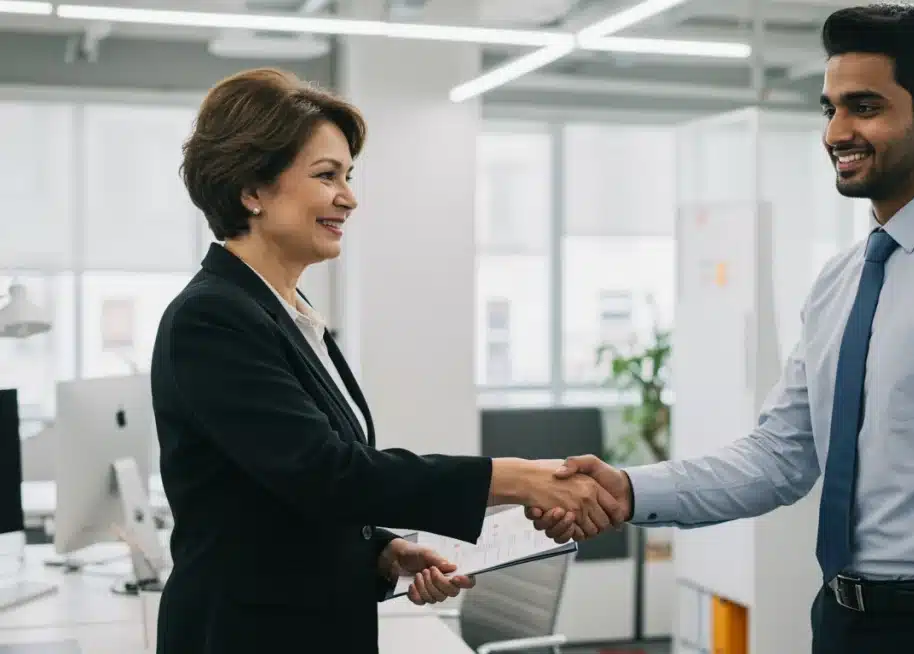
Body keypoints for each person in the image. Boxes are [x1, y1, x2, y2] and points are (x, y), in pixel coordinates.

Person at [529, 4, 914, 654]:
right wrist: (628, 489)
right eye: (830, 108)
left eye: (865, 107)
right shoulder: (840, 280)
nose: (837, 131)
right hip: (839, 619)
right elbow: (778, 458)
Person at [150, 68, 621, 654]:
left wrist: (379, 551)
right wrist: (517, 479)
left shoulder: (285, 312)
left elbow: (283, 496)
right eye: (326, 176)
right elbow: (326, 471)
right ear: (252, 189)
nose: (348, 197)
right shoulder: (213, 319)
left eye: (348, 176)